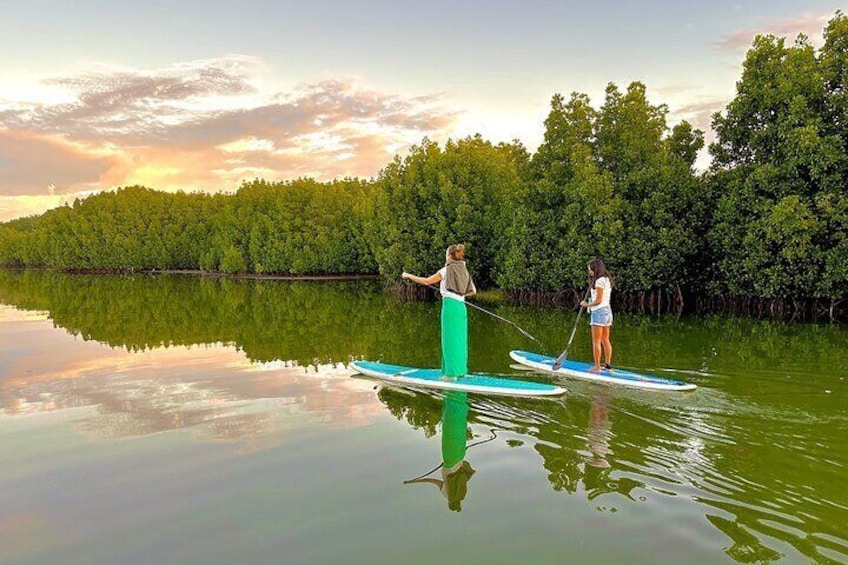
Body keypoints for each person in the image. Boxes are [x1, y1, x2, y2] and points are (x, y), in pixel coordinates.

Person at [402, 244, 477, 378]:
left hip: (450, 307)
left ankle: (451, 374)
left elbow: (426, 281)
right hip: (461, 307)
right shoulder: (464, 271)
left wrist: (408, 275)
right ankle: (460, 372)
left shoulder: (445, 270)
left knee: (449, 339)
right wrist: (459, 295)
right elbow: (473, 291)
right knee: (460, 339)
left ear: (449, 256)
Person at [579, 258, 613, 373]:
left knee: (596, 341)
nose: (590, 272)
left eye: (590, 269)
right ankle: (607, 365)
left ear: (595, 269)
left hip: (599, 311)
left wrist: (586, 304)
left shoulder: (599, 281)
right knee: (605, 339)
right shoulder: (606, 279)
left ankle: (597, 367)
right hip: (607, 311)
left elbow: (598, 300)